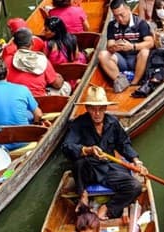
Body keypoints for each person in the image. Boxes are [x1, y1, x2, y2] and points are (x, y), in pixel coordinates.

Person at [61, 86, 147, 221]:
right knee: (78, 161)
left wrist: (136, 161)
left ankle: (107, 208)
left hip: (107, 168)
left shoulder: (113, 123)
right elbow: (67, 147)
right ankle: (82, 195)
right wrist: (88, 150)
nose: (97, 113)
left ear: (105, 108)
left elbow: (124, 143)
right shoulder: (79, 124)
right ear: (87, 108)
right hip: (87, 170)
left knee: (135, 187)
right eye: (93, 109)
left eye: (101, 109)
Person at [99, 0, 154, 94]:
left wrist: (132, 46)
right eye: (116, 16)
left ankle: (134, 83)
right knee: (102, 55)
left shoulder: (141, 23)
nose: (119, 19)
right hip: (122, 59)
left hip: (138, 59)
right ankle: (121, 82)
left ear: (128, 10)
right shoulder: (112, 25)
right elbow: (109, 46)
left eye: (122, 15)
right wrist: (115, 47)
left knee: (145, 52)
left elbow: (150, 43)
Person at [0, 56, 44, 127]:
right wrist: (35, 126)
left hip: (0, 134)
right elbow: (38, 114)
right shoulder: (23, 89)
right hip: (24, 133)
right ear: (7, 72)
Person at [5, 28, 67, 97]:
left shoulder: (7, 61)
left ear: (14, 43)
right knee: (66, 86)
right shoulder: (42, 59)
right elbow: (57, 85)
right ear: (32, 42)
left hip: (16, 99)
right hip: (39, 100)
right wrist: (60, 78)